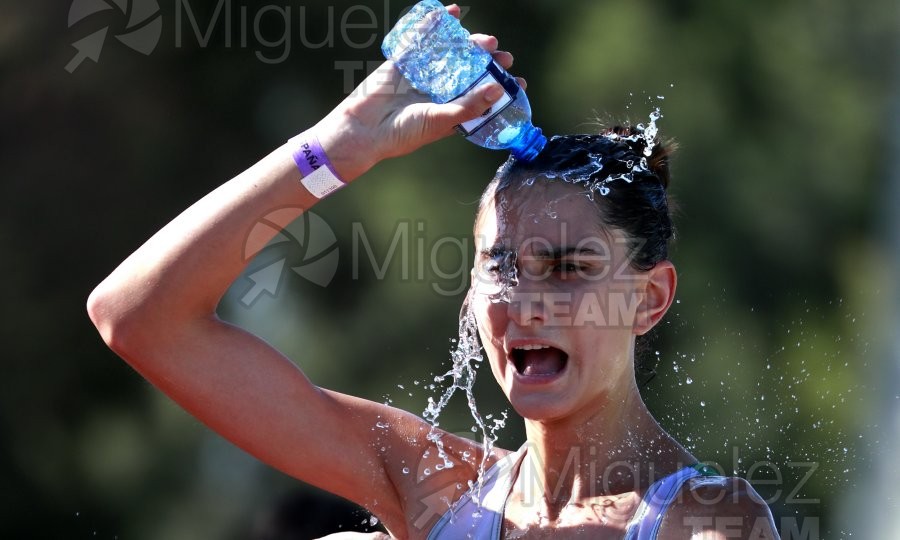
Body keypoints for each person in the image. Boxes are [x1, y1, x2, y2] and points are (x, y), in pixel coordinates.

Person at [87, 5, 779, 538]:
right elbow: (140, 318)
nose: (527, 303)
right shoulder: (432, 486)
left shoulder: (708, 520)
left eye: (569, 268)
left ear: (649, 298)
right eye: (501, 267)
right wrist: (336, 148)